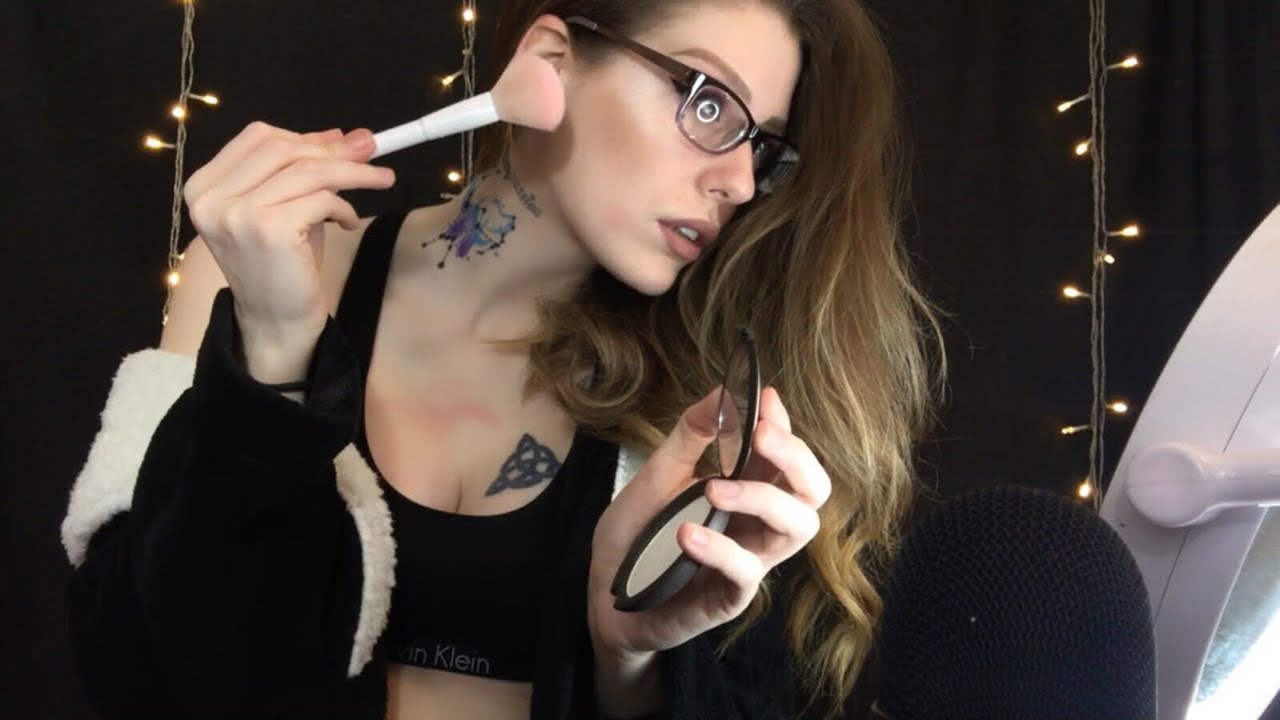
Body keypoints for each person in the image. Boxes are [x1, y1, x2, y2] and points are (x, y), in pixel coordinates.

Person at [60, 1, 945, 718]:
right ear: (550, 62)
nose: (740, 182)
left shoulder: (709, 408)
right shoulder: (259, 273)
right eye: (710, 104)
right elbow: (142, 673)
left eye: (761, 145)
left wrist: (627, 656)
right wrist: (274, 356)